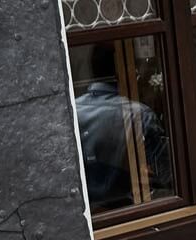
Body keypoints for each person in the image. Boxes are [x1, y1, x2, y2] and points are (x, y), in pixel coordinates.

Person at [74, 46, 175, 212]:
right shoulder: (139, 114)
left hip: (90, 214)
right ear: (127, 70)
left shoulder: (74, 111)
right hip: (129, 211)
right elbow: (168, 176)